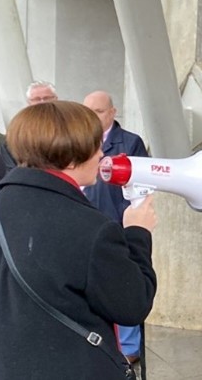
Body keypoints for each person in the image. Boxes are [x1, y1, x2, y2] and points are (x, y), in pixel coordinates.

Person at [0, 101, 157, 378]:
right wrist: (138, 234)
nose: (101, 153)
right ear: (71, 159)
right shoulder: (93, 227)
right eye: (95, 146)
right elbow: (133, 305)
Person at [81, 90, 150, 364]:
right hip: (86, 222)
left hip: (117, 224)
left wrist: (127, 220)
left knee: (125, 282)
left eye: (98, 111)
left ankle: (130, 348)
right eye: (87, 110)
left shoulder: (130, 143)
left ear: (112, 112)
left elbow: (140, 187)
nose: (92, 117)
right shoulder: (81, 139)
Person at [0, 81, 61, 170]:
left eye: (47, 98)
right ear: (29, 102)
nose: (42, 102)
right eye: (36, 99)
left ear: (56, 99)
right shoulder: (19, 127)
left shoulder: (68, 121)